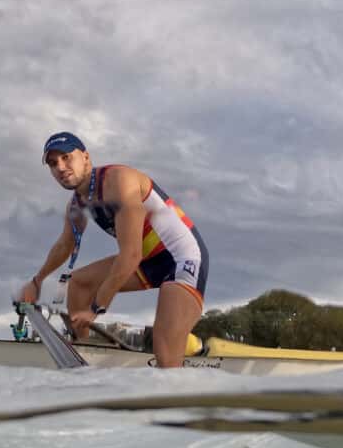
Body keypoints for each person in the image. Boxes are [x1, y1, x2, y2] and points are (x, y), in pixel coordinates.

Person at [18, 132, 209, 368]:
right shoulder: (77, 205)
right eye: (53, 163)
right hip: (148, 261)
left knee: (166, 355)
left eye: (67, 158)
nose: (60, 167)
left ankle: (185, 352)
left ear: (86, 157)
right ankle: (85, 360)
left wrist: (95, 309)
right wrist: (36, 281)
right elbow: (63, 246)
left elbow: (130, 255)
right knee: (78, 283)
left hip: (182, 256)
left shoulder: (119, 182)